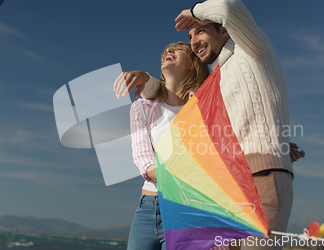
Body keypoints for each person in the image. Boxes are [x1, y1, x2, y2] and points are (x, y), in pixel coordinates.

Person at [115, 1, 305, 249]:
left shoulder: (248, 54)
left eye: (200, 31)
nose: (193, 40)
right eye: (190, 36)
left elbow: (229, 8)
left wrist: (193, 12)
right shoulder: (215, 85)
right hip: (185, 197)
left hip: (223, 191)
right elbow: (234, 128)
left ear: (224, 31)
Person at [126, 42, 231, 250]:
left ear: (193, 64)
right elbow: (144, 161)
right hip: (149, 208)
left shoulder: (204, 108)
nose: (169, 52)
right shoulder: (142, 107)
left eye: (178, 49)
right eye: (166, 51)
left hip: (189, 209)